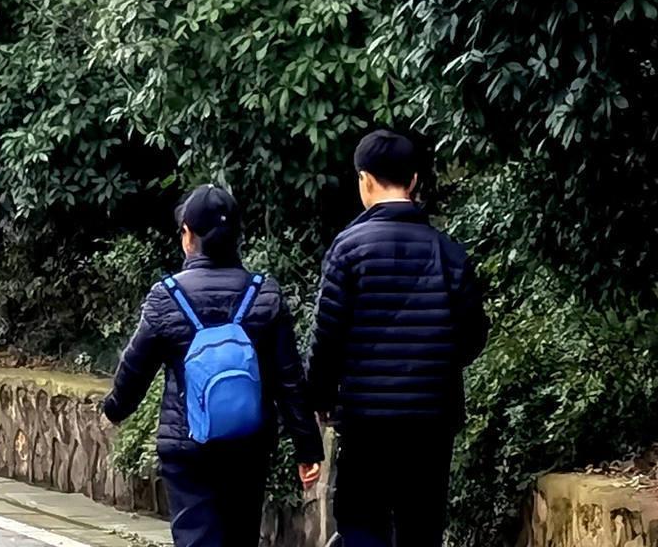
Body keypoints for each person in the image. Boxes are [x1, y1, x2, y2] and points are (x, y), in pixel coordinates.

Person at [100, 185, 322, 547]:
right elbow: (289, 378)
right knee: (240, 535)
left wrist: (114, 409)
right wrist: (307, 448)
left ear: (188, 234)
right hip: (248, 443)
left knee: (196, 537)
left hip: (187, 443)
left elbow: (135, 367)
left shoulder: (167, 296)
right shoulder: (264, 293)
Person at [307, 131, 488, 547]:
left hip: (366, 419)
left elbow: (327, 334)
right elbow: (474, 333)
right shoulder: (448, 251)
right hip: (431, 420)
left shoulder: (348, 249)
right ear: (413, 181)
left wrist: (318, 399)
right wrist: (435, 364)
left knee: (361, 519)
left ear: (365, 180)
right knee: (421, 525)